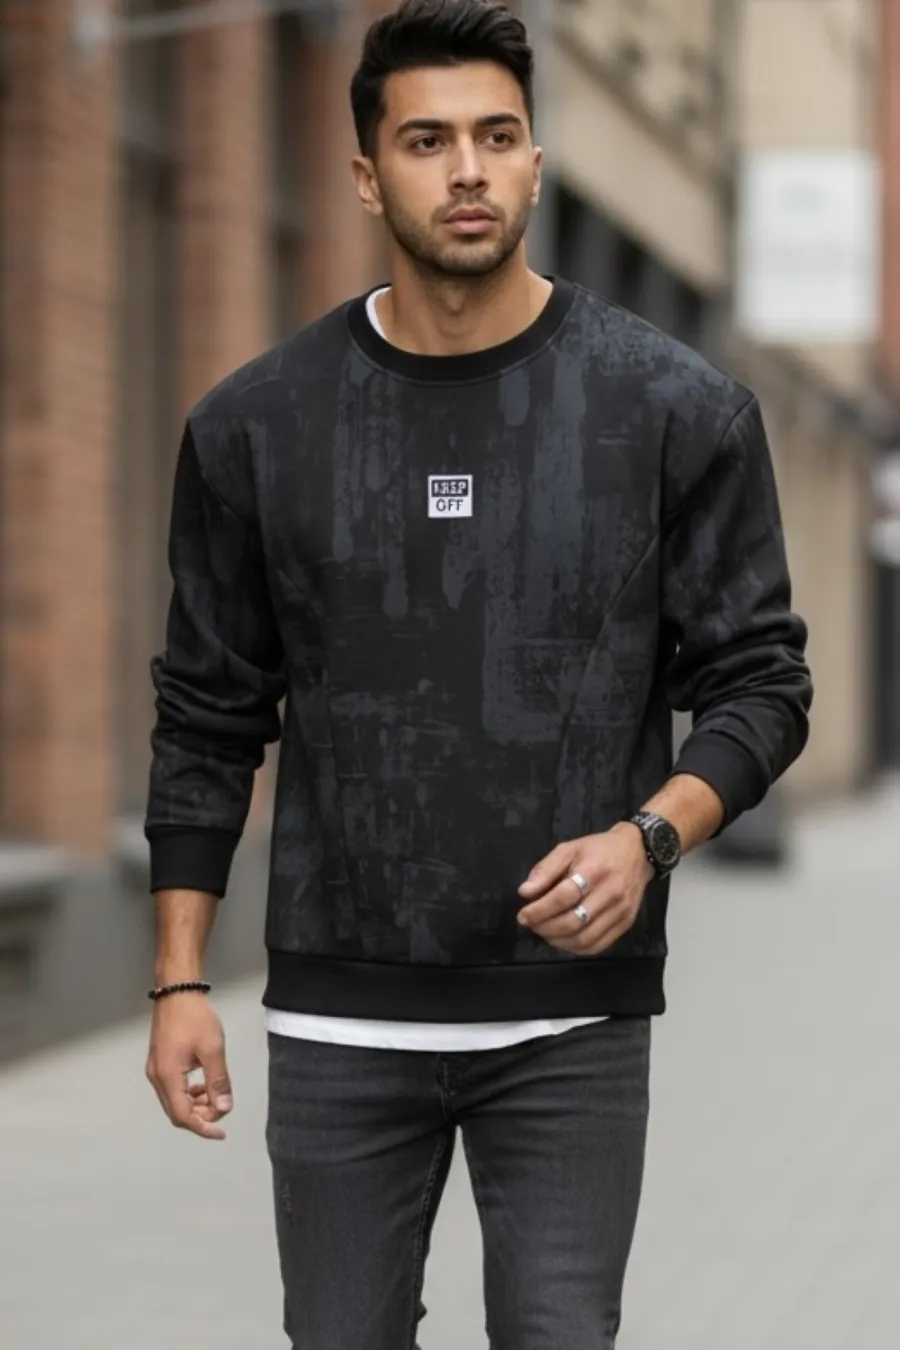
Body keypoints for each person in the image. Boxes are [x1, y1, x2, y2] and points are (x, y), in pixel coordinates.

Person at [143, 2, 813, 1346]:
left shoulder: (673, 410)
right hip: (339, 1015)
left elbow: (762, 683)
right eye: (428, 140)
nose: (468, 170)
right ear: (365, 175)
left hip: (571, 1021)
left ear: (537, 164)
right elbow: (207, 713)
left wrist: (648, 840)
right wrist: (177, 980)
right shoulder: (256, 426)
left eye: (498, 137)